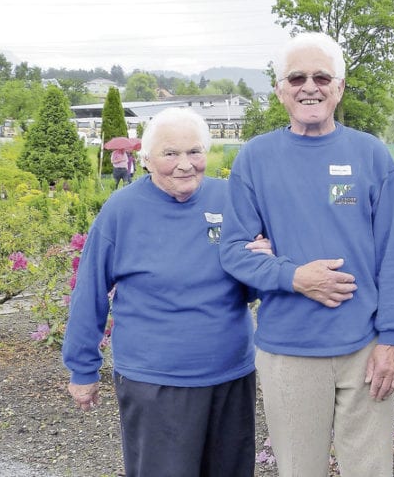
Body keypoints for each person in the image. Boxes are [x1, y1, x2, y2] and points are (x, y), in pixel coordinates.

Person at [218, 32, 394, 477]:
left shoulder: (371, 154)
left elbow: (393, 256)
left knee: (370, 470)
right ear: (280, 89)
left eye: (322, 76)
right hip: (289, 352)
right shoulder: (255, 158)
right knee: (299, 470)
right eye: (298, 77)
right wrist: (294, 276)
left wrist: (392, 339)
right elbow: (233, 251)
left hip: (365, 349)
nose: (311, 86)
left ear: (339, 86)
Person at [62, 107, 271, 477]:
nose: (185, 164)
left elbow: (251, 290)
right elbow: (90, 291)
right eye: (170, 154)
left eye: (194, 152)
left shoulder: (231, 201)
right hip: (155, 381)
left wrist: (262, 263)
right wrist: (82, 368)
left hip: (230, 376)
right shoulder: (121, 211)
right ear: (145, 159)